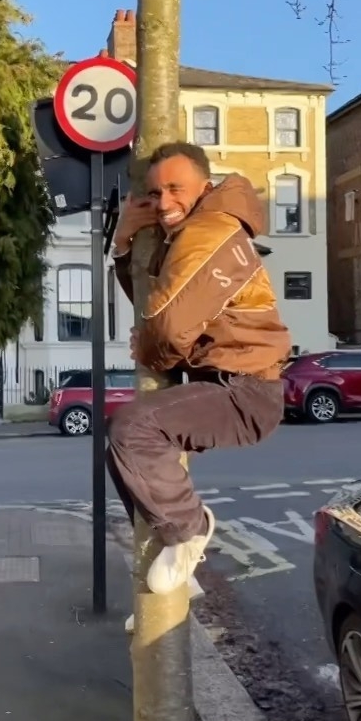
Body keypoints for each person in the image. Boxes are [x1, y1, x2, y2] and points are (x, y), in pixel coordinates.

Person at [106, 141, 291, 631]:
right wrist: (124, 244)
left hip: (245, 391)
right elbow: (153, 302)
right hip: (225, 382)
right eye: (154, 193)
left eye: (175, 189)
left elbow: (165, 330)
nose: (164, 202)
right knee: (122, 453)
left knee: (133, 429)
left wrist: (149, 349)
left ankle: (190, 529)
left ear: (205, 187)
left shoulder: (210, 230)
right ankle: (176, 576)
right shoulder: (190, 232)